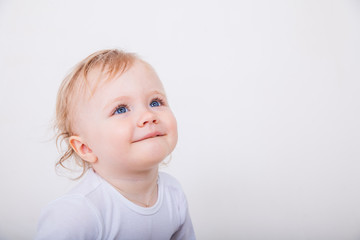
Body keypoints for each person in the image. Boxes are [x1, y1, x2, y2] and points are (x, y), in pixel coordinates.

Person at [35, 49, 196, 240]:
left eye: (155, 102)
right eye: (120, 109)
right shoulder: (75, 215)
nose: (148, 116)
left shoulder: (173, 193)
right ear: (85, 148)